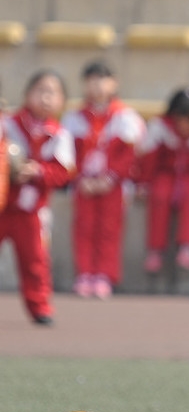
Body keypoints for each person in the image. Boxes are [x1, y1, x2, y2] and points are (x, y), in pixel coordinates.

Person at [61, 61, 145, 299]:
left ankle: (105, 275)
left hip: (113, 185)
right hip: (84, 184)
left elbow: (129, 155)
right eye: (91, 80)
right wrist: (79, 178)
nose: (97, 85)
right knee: (84, 227)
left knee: (109, 229)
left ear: (113, 83)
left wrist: (110, 177)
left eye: (102, 79)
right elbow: (68, 153)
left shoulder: (125, 117)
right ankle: (85, 272)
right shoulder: (74, 118)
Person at [0, 70, 75, 324]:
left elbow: (63, 172)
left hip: (32, 210)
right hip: (3, 203)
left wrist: (37, 171)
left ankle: (39, 305)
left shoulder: (59, 134)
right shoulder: (8, 124)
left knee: (35, 261)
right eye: (40, 91)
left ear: (62, 101)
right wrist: (8, 169)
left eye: (52, 93)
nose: (45, 98)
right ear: (27, 94)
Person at [136, 87, 189, 275]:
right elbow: (150, 159)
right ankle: (156, 250)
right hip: (165, 174)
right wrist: (143, 183)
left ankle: (188, 247)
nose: (188, 125)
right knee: (159, 195)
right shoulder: (160, 127)